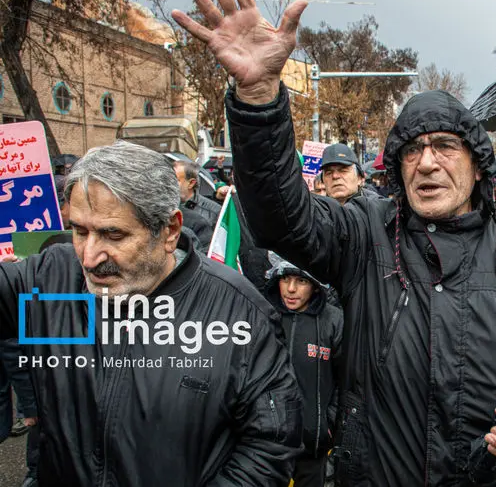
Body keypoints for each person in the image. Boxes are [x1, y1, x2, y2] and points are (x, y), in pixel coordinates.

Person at [172, 0, 496, 485]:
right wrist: (259, 100)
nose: (427, 162)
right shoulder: (366, 232)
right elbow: (281, 219)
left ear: (478, 164)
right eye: (413, 150)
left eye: (444, 146)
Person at [0, 141, 302, 485]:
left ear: (169, 231)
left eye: (113, 234)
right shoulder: (51, 278)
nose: (89, 257)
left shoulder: (240, 313)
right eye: (80, 231)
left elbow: (270, 446)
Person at [265, 258, 343, 487]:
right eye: (285, 279)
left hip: (314, 446)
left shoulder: (334, 321)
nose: (291, 289)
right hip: (268, 446)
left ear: (315, 285)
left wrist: (329, 424)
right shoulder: (264, 316)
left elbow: (345, 378)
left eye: (301, 281)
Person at [173, 160, 221, 224]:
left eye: (174, 179)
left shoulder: (214, 211)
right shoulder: (162, 204)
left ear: (191, 183)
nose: (168, 183)